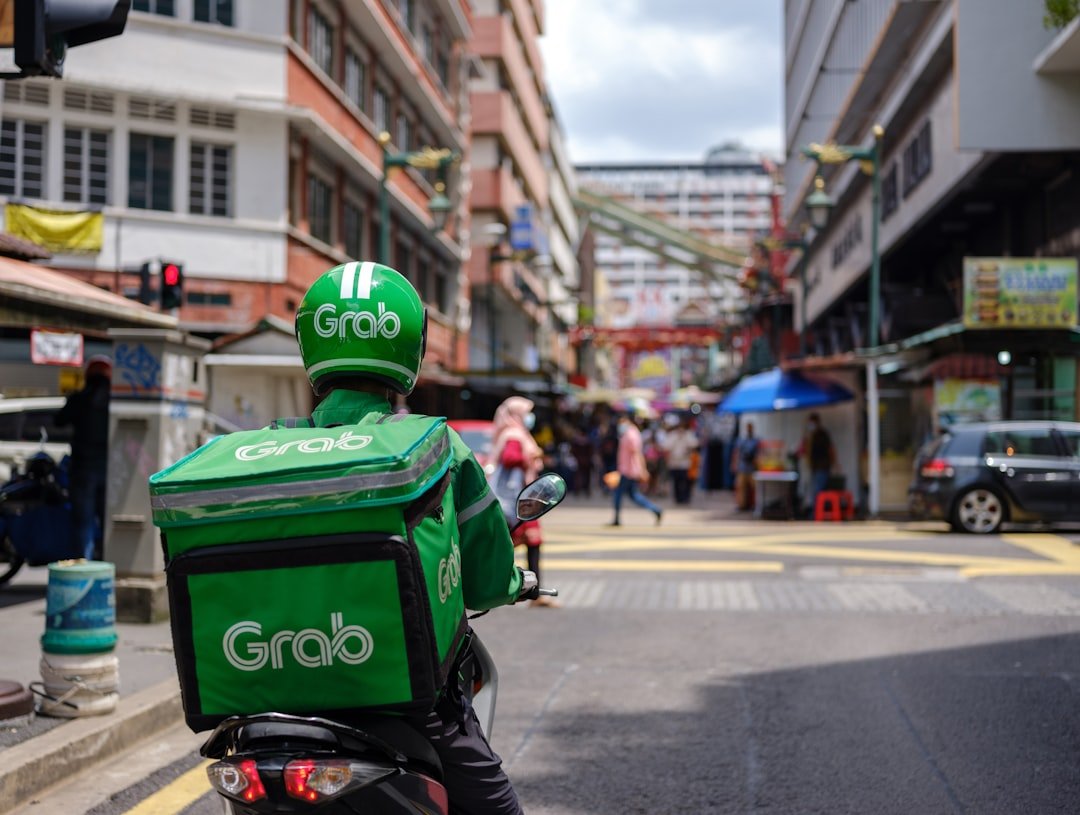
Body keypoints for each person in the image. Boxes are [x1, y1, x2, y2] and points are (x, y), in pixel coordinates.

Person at [293, 261, 526, 815]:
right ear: (409, 350)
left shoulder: (269, 450)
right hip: (403, 696)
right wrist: (515, 582)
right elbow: (489, 581)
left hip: (275, 692)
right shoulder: (436, 447)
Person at [489, 396, 557, 609]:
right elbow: (510, 458)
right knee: (518, 542)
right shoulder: (514, 435)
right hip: (517, 501)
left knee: (524, 541)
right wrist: (532, 457)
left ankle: (533, 591)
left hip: (520, 499)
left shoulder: (514, 433)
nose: (529, 417)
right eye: (526, 413)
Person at [56, 355, 112, 561]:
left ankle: (84, 566)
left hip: (82, 469)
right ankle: (108, 563)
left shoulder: (80, 399)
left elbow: (59, 420)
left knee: (83, 522)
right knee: (108, 522)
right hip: (111, 470)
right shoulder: (115, 402)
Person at [608, 412, 663, 526]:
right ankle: (656, 510)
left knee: (618, 494)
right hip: (627, 470)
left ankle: (617, 518)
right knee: (634, 496)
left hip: (628, 471)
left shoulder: (630, 435)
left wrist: (642, 469)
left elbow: (637, 453)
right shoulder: (630, 433)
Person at [802, 412, 835, 514]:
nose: (810, 425)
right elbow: (806, 450)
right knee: (815, 491)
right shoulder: (810, 436)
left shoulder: (822, 435)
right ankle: (816, 513)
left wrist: (834, 463)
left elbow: (830, 449)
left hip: (822, 466)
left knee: (818, 491)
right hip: (814, 467)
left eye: (811, 423)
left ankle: (816, 514)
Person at [663, 417, 700, 505]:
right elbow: (666, 446)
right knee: (676, 481)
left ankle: (686, 497)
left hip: (685, 463)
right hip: (674, 463)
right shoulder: (672, 435)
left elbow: (694, 444)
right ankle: (678, 498)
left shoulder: (688, 435)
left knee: (686, 481)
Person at [731, 421, 759, 512]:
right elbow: (736, 453)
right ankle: (741, 505)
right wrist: (734, 464)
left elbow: (758, 454)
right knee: (741, 487)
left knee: (754, 487)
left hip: (751, 468)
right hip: (742, 467)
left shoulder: (755, 441)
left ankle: (754, 505)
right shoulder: (741, 440)